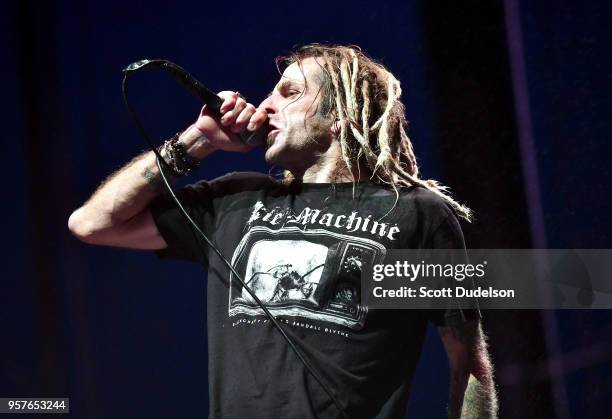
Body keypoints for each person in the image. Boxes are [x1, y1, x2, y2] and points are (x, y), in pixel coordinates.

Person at [68, 44, 498, 418]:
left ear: (340, 116)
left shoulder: (415, 214)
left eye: (289, 93)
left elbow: (468, 362)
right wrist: (198, 140)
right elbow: (92, 223)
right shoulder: (235, 201)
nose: (265, 106)